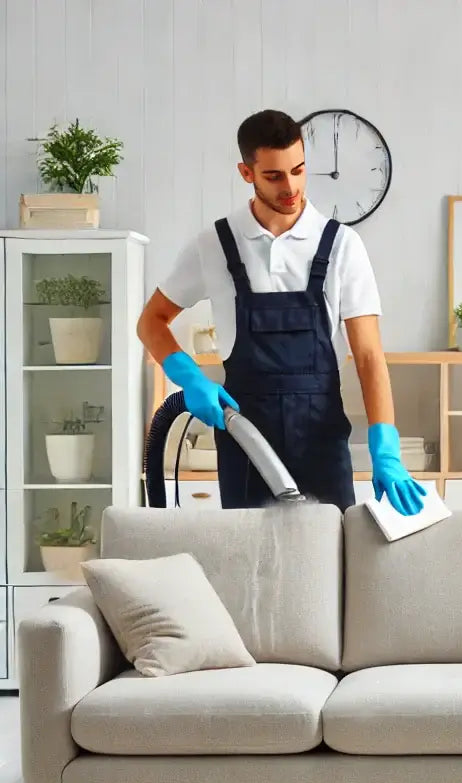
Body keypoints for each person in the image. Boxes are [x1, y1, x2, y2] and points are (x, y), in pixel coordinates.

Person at [137, 108, 425, 516]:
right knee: (252, 570)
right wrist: (190, 378)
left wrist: (385, 446)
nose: (290, 186)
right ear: (246, 173)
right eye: (273, 176)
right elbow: (151, 321)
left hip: (320, 440)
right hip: (246, 440)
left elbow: (368, 356)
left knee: (330, 566)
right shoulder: (216, 244)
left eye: (299, 169)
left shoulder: (341, 245)